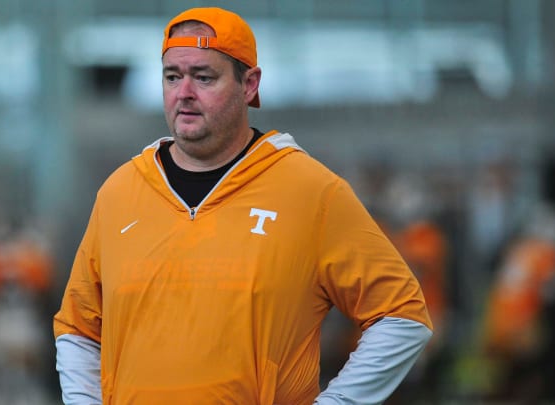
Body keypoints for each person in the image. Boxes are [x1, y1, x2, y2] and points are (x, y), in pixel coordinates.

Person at [53, 7, 433, 404]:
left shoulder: (308, 189)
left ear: (249, 85)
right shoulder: (119, 192)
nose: (184, 92)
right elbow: (78, 329)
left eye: (203, 77)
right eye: (172, 77)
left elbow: (402, 315)